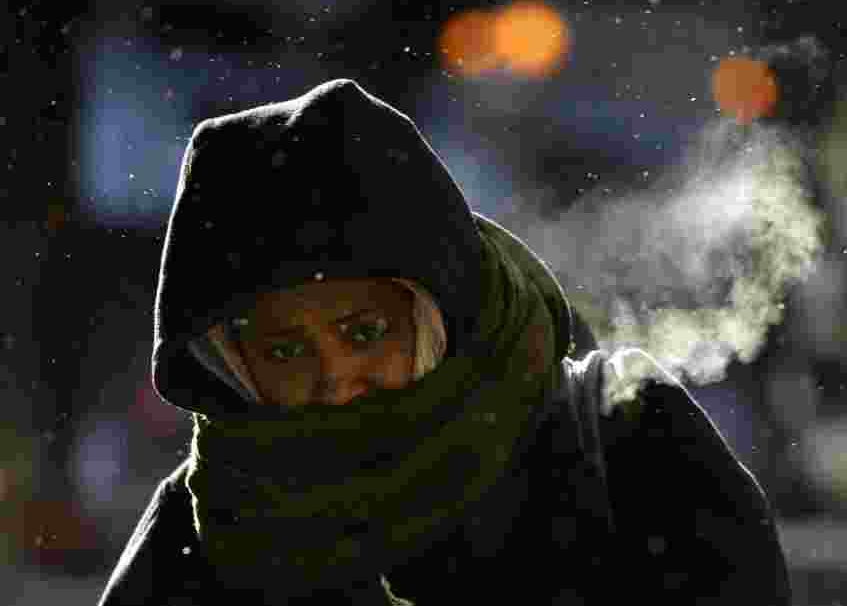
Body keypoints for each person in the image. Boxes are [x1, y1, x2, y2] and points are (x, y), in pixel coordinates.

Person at [96, 79, 791, 605]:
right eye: (283, 351)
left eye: (362, 332)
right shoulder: (199, 540)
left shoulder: (627, 454)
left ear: (435, 316)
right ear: (232, 368)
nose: (334, 379)